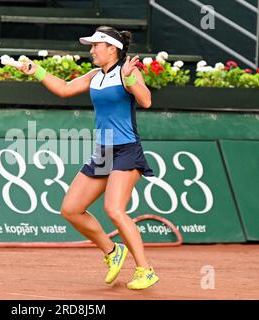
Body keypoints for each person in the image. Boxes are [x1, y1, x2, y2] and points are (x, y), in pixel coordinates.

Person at [17, 26, 159, 290]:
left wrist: (129, 80)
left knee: (114, 209)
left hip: (126, 149)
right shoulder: (95, 75)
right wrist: (36, 70)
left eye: (96, 46)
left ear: (112, 49)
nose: (92, 50)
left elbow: (147, 100)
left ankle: (145, 270)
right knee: (70, 209)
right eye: (91, 46)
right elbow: (64, 89)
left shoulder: (128, 70)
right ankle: (112, 251)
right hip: (103, 152)